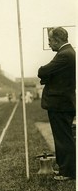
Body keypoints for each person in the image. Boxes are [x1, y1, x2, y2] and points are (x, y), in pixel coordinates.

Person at [38, 27, 76, 181]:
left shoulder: (64, 55)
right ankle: (65, 169)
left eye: (50, 40)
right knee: (63, 137)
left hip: (60, 103)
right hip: (62, 102)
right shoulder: (67, 53)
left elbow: (43, 71)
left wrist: (44, 73)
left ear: (57, 40)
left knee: (63, 138)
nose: (49, 44)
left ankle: (68, 172)